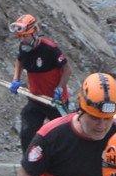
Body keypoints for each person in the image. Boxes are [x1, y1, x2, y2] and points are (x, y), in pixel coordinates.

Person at [8, 14, 71, 154]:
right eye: (20, 37)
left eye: (25, 36)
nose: (23, 40)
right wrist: (16, 79)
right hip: (35, 99)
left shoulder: (50, 48)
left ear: (34, 33)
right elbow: (19, 61)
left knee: (64, 135)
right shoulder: (23, 48)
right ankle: (28, 163)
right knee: (26, 132)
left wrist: (60, 88)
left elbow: (67, 69)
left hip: (56, 101)